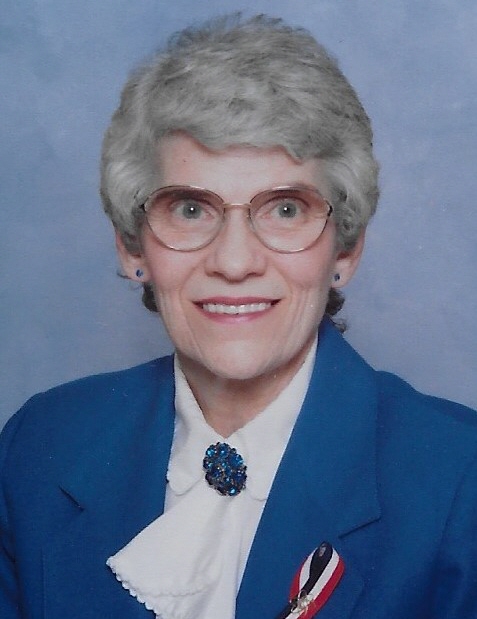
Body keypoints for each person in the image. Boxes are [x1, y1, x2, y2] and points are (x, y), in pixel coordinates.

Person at [1, 13, 477, 619]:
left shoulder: (460, 476)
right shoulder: (39, 445)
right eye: (190, 209)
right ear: (132, 247)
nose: (233, 262)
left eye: (285, 209)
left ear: (345, 250)